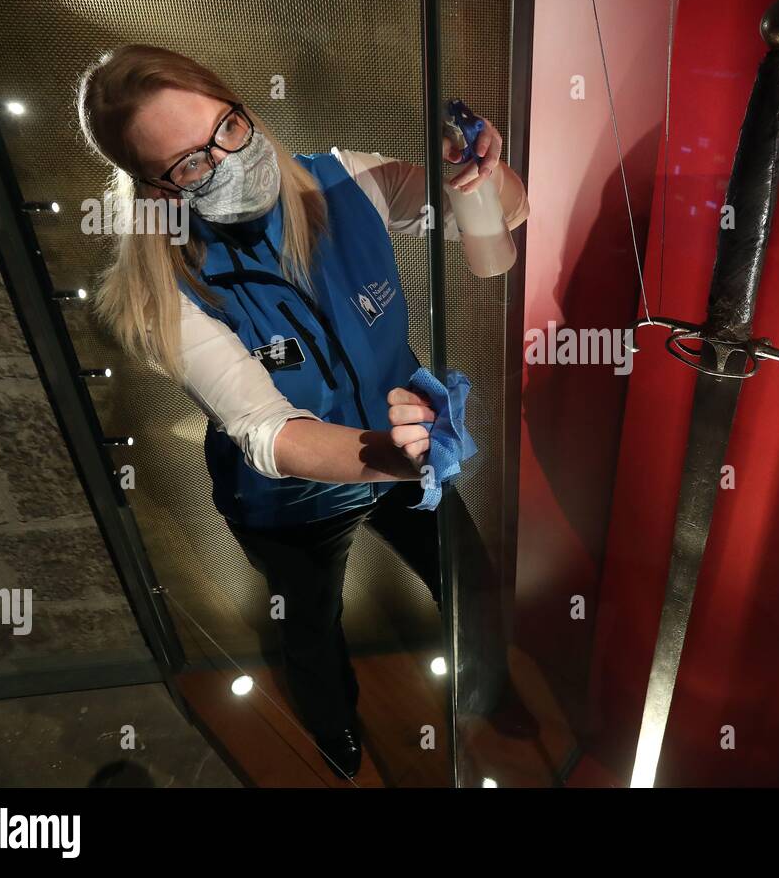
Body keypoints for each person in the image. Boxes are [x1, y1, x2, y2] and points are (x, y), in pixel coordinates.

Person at [77, 44, 534, 780]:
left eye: (226, 128)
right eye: (189, 163)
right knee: (311, 621)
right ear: (155, 188)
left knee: (468, 578)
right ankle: (334, 730)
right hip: (293, 497)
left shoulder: (345, 179)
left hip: (404, 448)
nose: (225, 159)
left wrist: (482, 180)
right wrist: (395, 455)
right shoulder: (166, 295)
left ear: (243, 110)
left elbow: (490, 218)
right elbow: (267, 430)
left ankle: (485, 692)